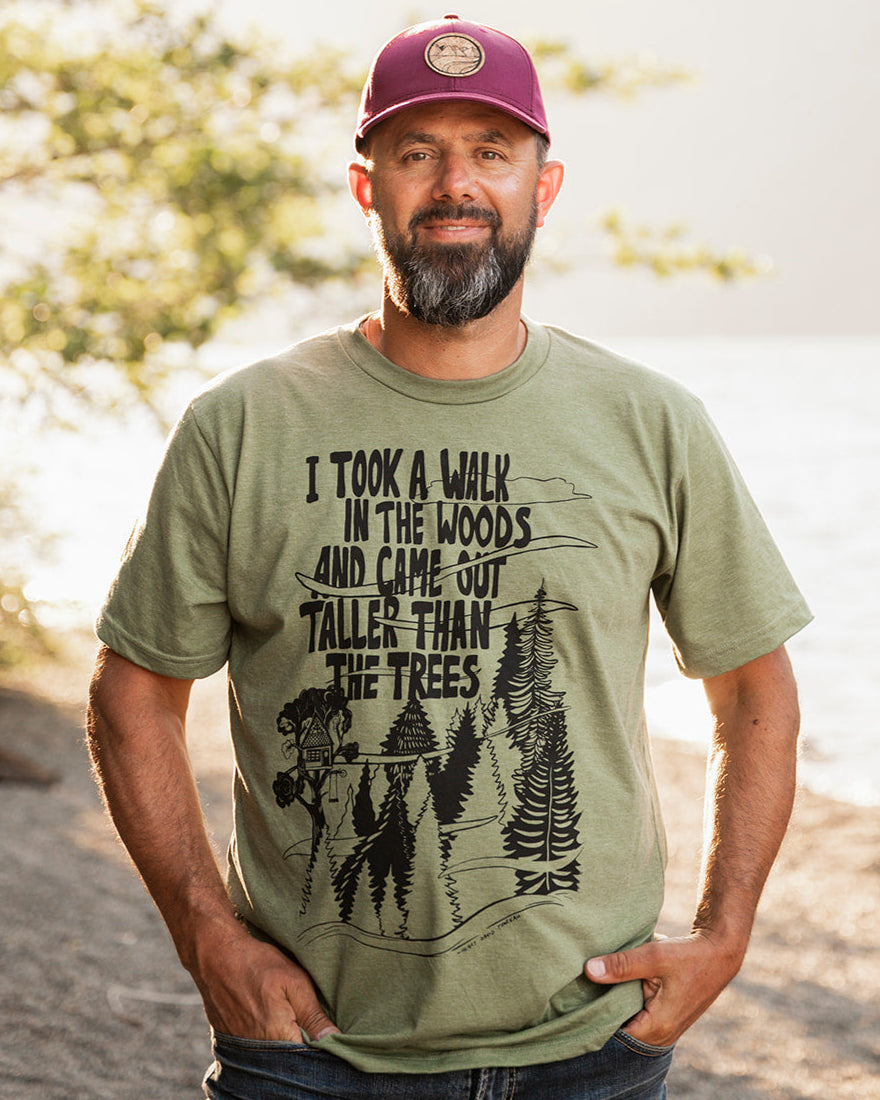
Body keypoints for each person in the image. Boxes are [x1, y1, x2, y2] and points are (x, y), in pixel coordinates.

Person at [87, 15, 812, 1100]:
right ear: (364, 185)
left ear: (544, 184)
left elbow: (753, 687)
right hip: (308, 1057)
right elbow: (132, 694)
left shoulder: (648, 422)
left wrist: (724, 931)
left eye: (491, 151)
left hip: (591, 1053)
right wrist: (205, 932)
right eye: (417, 151)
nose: (454, 182)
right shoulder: (241, 426)